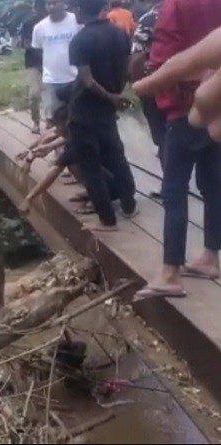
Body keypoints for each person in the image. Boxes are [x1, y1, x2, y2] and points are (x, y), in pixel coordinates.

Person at [132, 0, 221, 298]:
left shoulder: (174, 6)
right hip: (216, 107)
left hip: (182, 110)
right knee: (213, 185)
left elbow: (164, 63)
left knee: (174, 189)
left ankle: (170, 273)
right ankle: (210, 257)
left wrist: (150, 77)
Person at [68, 0, 138, 232]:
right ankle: (129, 206)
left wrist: (110, 97)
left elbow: (87, 81)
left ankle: (107, 220)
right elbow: (128, 70)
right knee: (116, 157)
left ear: (80, 10)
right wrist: (118, 94)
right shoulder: (121, 34)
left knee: (91, 168)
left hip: (84, 110)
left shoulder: (80, 40)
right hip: (107, 110)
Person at [129, 0, 166, 198]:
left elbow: (137, 56)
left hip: (155, 85)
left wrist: (136, 84)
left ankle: (170, 182)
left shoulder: (149, 19)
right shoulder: (191, 13)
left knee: (163, 136)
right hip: (189, 83)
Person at [32, 0, 81, 129]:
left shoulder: (77, 21)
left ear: (64, 3)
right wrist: (46, 70)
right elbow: (38, 51)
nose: (51, 7)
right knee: (53, 119)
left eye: (55, 3)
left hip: (76, 78)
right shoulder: (39, 28)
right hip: (51, 80)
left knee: (77, 116)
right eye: (48, 4)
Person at [21, 0, 47, 134]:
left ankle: (52, 122)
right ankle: (36, 122)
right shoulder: (28, 24)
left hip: (50, 63)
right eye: (40, 6)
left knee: (51, 95)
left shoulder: (51, 23)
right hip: (33, 63)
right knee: (34, 94)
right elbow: (26, 44)